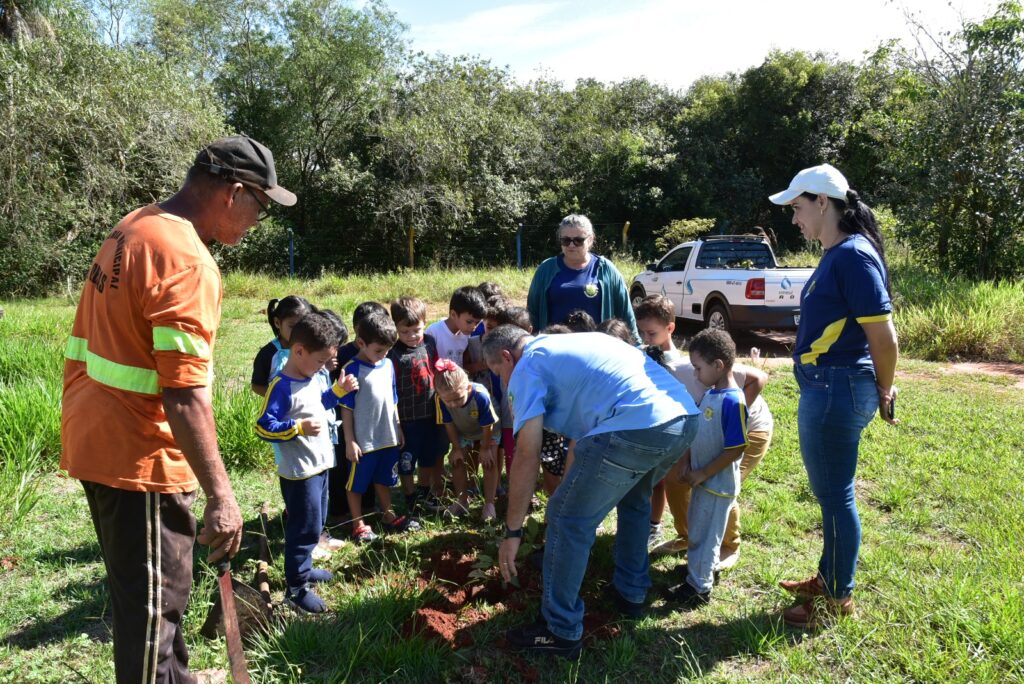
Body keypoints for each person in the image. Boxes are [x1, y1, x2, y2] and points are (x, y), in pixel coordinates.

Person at [61, 134, 295, 682]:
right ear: (234, 193)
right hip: (140, 457)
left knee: (155, 602)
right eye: (260, 207)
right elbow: (185, 395)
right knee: (152, 621)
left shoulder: (136, 226)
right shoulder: (187, 262)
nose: (257, 222)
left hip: (97, 438)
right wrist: (222, 496)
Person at [482, 325, 700, 658]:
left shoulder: (527, 366)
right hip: (682, 419)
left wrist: (513, 532)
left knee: (565, 519)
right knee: (634, 499)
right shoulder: (572, 346)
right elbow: (582, 444)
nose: (503, 383)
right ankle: (631, 593)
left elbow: (526, 453)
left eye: (499, 373)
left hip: (636, 425)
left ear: (507, 357)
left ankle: (559, 629)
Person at [769, 163, 899, 628]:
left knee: (835, 495)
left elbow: (883, 337)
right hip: (830, 386)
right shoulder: (840, 253)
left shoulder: (852, 256)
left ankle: (837, 598)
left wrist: (885, 388)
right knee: (831, 493)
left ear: (823, 202)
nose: (794, 219)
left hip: (836, 387)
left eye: (798, 208)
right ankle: (830, 577)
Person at [634, 295, 773, 566]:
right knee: (676, 479)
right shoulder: (655, 368)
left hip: (751, 430)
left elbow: (759, 377)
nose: (647, 340)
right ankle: (688, 536)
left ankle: (729, 545)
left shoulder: (689, 368)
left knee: (720, 484)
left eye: (651, 333)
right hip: (704, 433)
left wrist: (733, 418)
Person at [255, 311, 357, 613]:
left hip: (320, 465)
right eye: (320, 360)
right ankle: (297, 589)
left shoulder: (309, 376)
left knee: (318, 520)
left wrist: (337, 392)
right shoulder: (281, 386)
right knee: (304, 528)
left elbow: (318, 404)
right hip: (300, 473)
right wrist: (296, 428)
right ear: (299, 351)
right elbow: (263, 427)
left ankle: (306, 566)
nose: (323, 366)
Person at [663, 330, 748, 609]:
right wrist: (687, 462)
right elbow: (698, 431)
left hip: (717, 484)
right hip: (703, 481)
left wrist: (703, 473)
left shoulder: (733, 401)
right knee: (699, 530)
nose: (695, 374)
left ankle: (698, 589)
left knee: (706, 535)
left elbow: (736, 448)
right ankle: (701, 570)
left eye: (698, 368)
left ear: (718, 365)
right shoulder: (711, 394)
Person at [340, 311, 421, 542]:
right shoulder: (352, 369)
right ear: (361, 343)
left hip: (387, 436)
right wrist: (350, 440)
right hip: (364, 441)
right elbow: (346, 408)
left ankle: (388, 514)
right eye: (378, 350)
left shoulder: (387, 364)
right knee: (356, 484)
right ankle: (358, 524)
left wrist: (397, 427)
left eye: (387, 350)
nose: (383, 354)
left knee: (384, 478)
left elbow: (392, 398)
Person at [526, 214, 638, 340]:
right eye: (566, 240)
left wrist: (637, 345)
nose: (571, 245)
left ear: (590, 240)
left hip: (597, 347)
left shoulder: (606, 270)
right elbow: (532, 314)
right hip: (555, 346)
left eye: (578, 240)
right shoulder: (546, 269)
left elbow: (626, 314)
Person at [388, 297, 447, 513]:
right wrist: (396, 423)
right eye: (405, 331)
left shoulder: (429, 342)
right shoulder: (393, 353)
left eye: (416, 330)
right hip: (407, 418)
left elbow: (436, 367)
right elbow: (391, 389)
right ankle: (410, 496)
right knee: (407, 459)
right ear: (395, 328)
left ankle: (424, 490)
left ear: (425, 323)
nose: (412, 336)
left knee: (429, 456)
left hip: (431, 413)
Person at [433, 359, 500, 521]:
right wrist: (456, 448)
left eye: (458, 399)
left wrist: (485, 448)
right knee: (456, 461)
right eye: (448, 401)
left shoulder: (480, 396)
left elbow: (488, 425)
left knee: (489, 461)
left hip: (488, 431)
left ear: (468, 388)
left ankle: (489, 504)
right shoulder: (440, 399)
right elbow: (449, 424)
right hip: (463, 430)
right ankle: (462, 501)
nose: (453, 404)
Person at [251, 295, 312, 396]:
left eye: (303, 326)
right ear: (277, 323)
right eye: (292, 326)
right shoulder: (268, 354)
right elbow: (257, 386)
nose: (298, 332)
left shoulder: (312, 348)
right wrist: (279, 397)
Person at [425, 286, 487, 368]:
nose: (474, 327)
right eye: (469, 322)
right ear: (453, 314)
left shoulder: (466, 334)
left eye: (477, 322)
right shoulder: (433, 332)